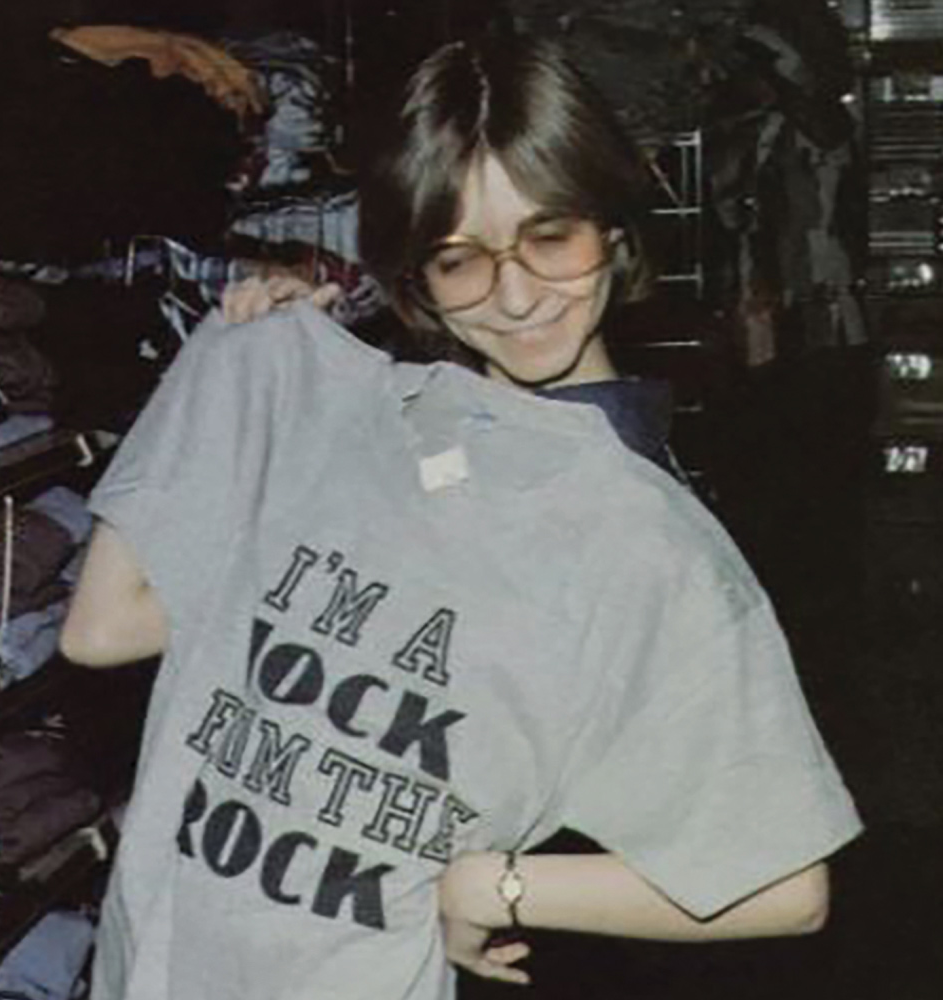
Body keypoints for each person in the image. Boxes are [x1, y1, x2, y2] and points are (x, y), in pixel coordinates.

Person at [59, 31, 862, 1000]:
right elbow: (106, 628)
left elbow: (780, 884)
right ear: (418, 275)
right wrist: (231, 373)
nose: (517, 295)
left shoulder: (643, 539)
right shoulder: (362, 426)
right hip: (154, 959)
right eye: (460, 258)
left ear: (613, 226)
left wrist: (493, 884)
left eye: (549, 236)